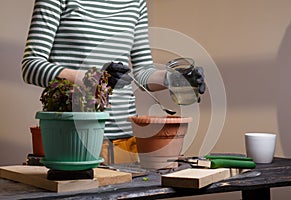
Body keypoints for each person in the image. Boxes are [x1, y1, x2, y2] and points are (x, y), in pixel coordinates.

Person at [22, 0, 205, 163]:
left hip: (125, 142)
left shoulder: (136, 3)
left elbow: (142, 72)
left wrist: (174, 78)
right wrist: (93, 78)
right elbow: (31, 67)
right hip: (73, 140)